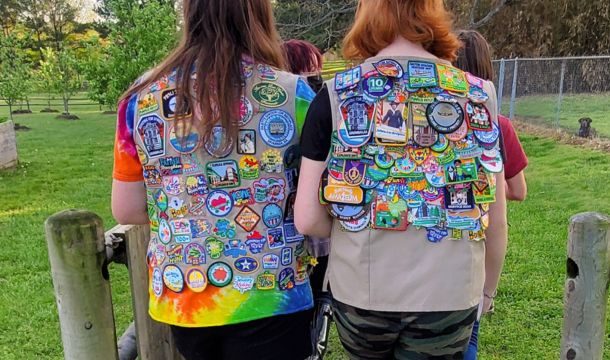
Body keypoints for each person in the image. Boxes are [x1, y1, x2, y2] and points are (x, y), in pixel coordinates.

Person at [295, 1, 508, 359]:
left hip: (361, 293)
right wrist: (488, 291)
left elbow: (307, 219)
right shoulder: (477, 94)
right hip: (449, 292)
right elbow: (495, 217)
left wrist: (359, 223)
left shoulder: (334, 95)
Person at [111, 1, 317, 359]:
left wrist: (186, 212)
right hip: (274, 290)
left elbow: (126, 208)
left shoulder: (139, 100)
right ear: (258, 15)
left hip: (185, 288)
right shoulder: (293, 94)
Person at [454, 29, 529, 359]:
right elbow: (518, 191)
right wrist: (487, 193)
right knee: (469, 330)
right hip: (480, 240)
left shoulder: (436, 120)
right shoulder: (499, 125)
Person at [281, 38, 333, 359]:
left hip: (315, 231)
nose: (317, 81)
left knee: (319, 298)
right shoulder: (297, 105)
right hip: (294, 232)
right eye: (311, 75)